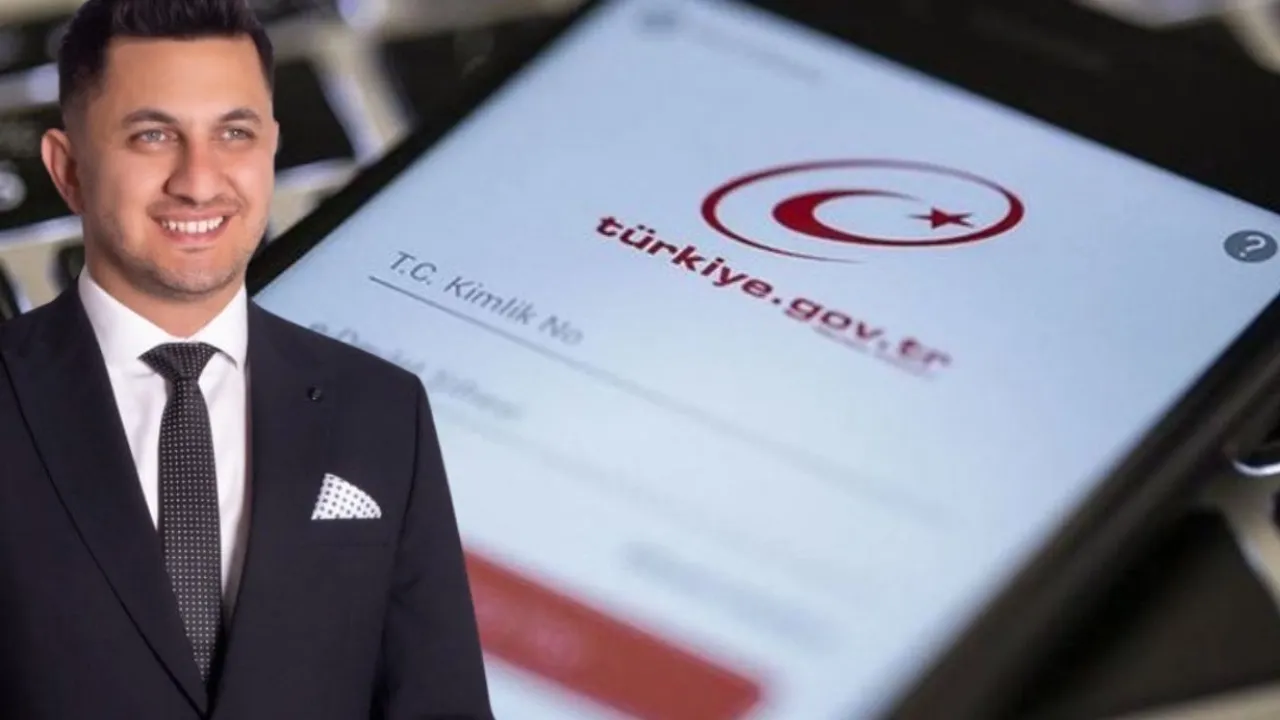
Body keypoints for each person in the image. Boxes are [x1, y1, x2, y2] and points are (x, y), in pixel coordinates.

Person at [0, 1, 494, 718]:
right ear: (69, 169)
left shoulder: (383, 408)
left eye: (234, 133)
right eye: (152, 136)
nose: (200, 181)